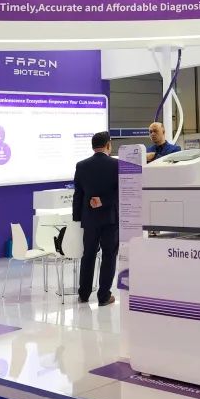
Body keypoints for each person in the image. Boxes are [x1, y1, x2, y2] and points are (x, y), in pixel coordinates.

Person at [73, 131, 119, 305]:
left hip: (89, 219)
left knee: (88, 255)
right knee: (109, 255)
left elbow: (78, 194)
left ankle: (83, 295)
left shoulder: (81, 165)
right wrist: (104, 201)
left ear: (93, 146)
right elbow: (120, 192)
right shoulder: (117, 165)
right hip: (110, 219)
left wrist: (78, 217)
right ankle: (103, 296)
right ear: (108, 145)